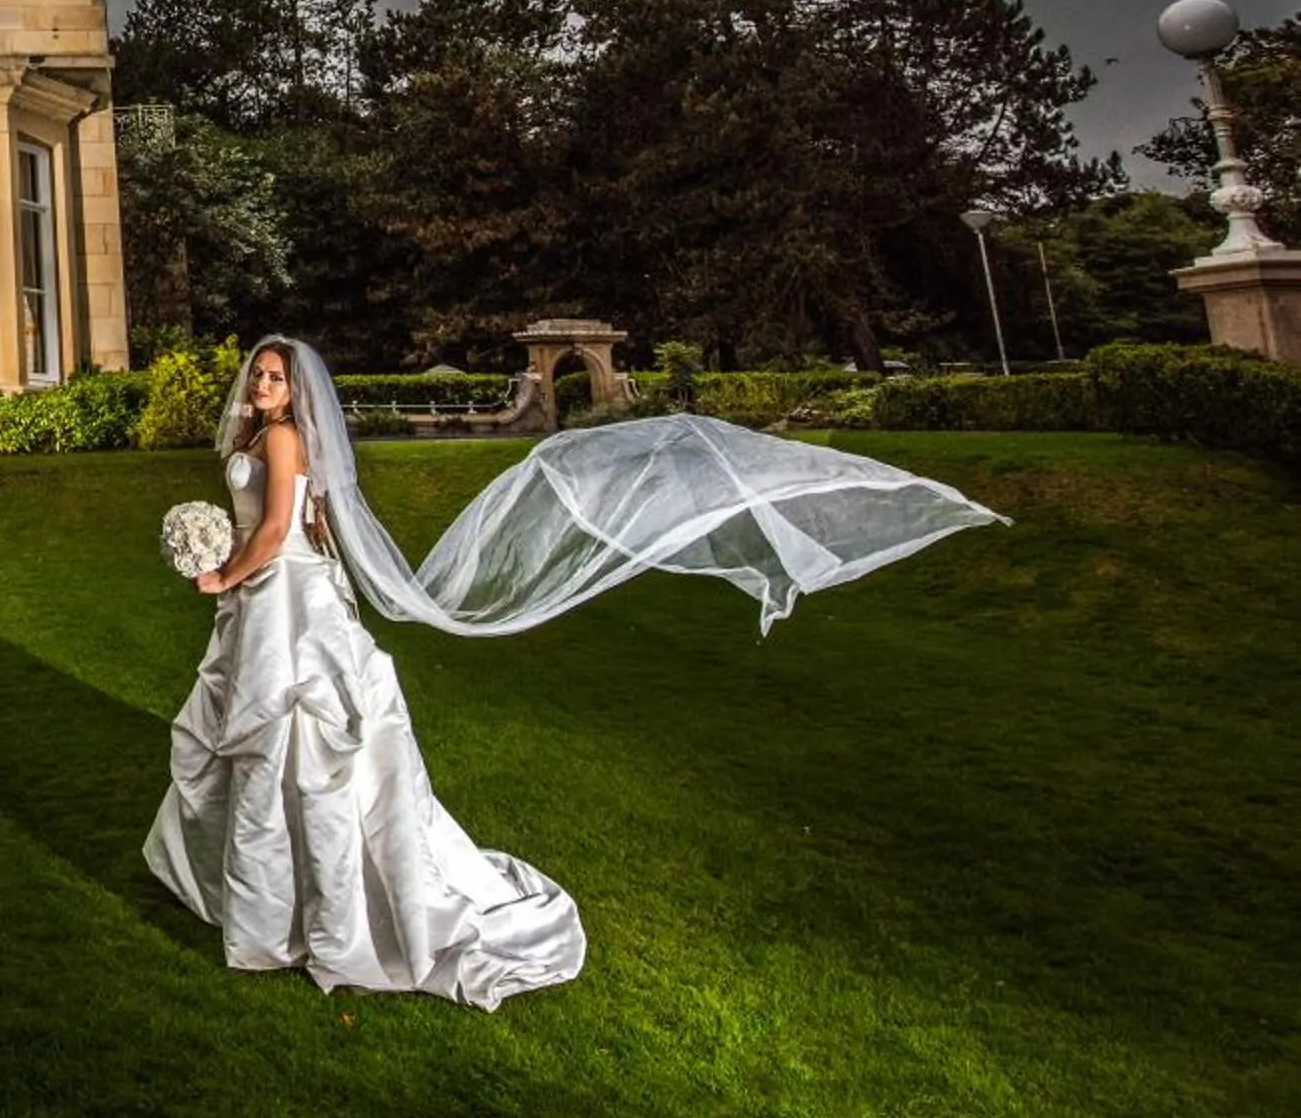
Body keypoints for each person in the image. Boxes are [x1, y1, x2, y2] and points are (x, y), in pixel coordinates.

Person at [143, 334, 1003, 1009]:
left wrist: (222, 569)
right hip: (280, 601)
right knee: (284, 751)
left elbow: (273, 531)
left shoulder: (285, 440)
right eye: (258, 374)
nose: (263, 386)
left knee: (295, 747)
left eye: (276, 378)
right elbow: (309, 526)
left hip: (281, 601)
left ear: (298, 393)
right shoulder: (263, 434)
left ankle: (299, 921)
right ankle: (284, 910)